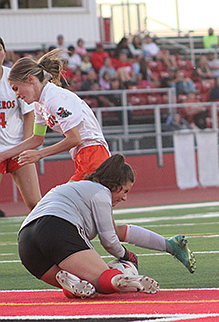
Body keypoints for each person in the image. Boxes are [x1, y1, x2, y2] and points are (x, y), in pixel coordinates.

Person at [17, 154, 196, 298]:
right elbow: (109, 240)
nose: (124, 197)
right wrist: (127, 256)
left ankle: (70, 286)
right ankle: (121, 280)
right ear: (115, 183)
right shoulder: (101, 192)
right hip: (57, 227)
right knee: (104, 280)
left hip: (25, 241)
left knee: (87, 287)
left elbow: (116, 232)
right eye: (125, 190)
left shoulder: (75, 189)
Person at [0, 49, 110, 182]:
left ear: (30, 79)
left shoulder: (53, 98)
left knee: (64, 199)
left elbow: (75, 138)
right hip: (83, 154)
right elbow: (37, 139)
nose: (16, 95)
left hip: (93, 152)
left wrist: (39, 154)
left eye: (16, 88)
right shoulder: (39, 104)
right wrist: (3, 155)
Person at [0, 37, 42, 212]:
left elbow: (29, 114)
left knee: (35, 202)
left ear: (4, 52)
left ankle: (45, 237)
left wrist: (25, 146)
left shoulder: (12, 78)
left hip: (17, 147)